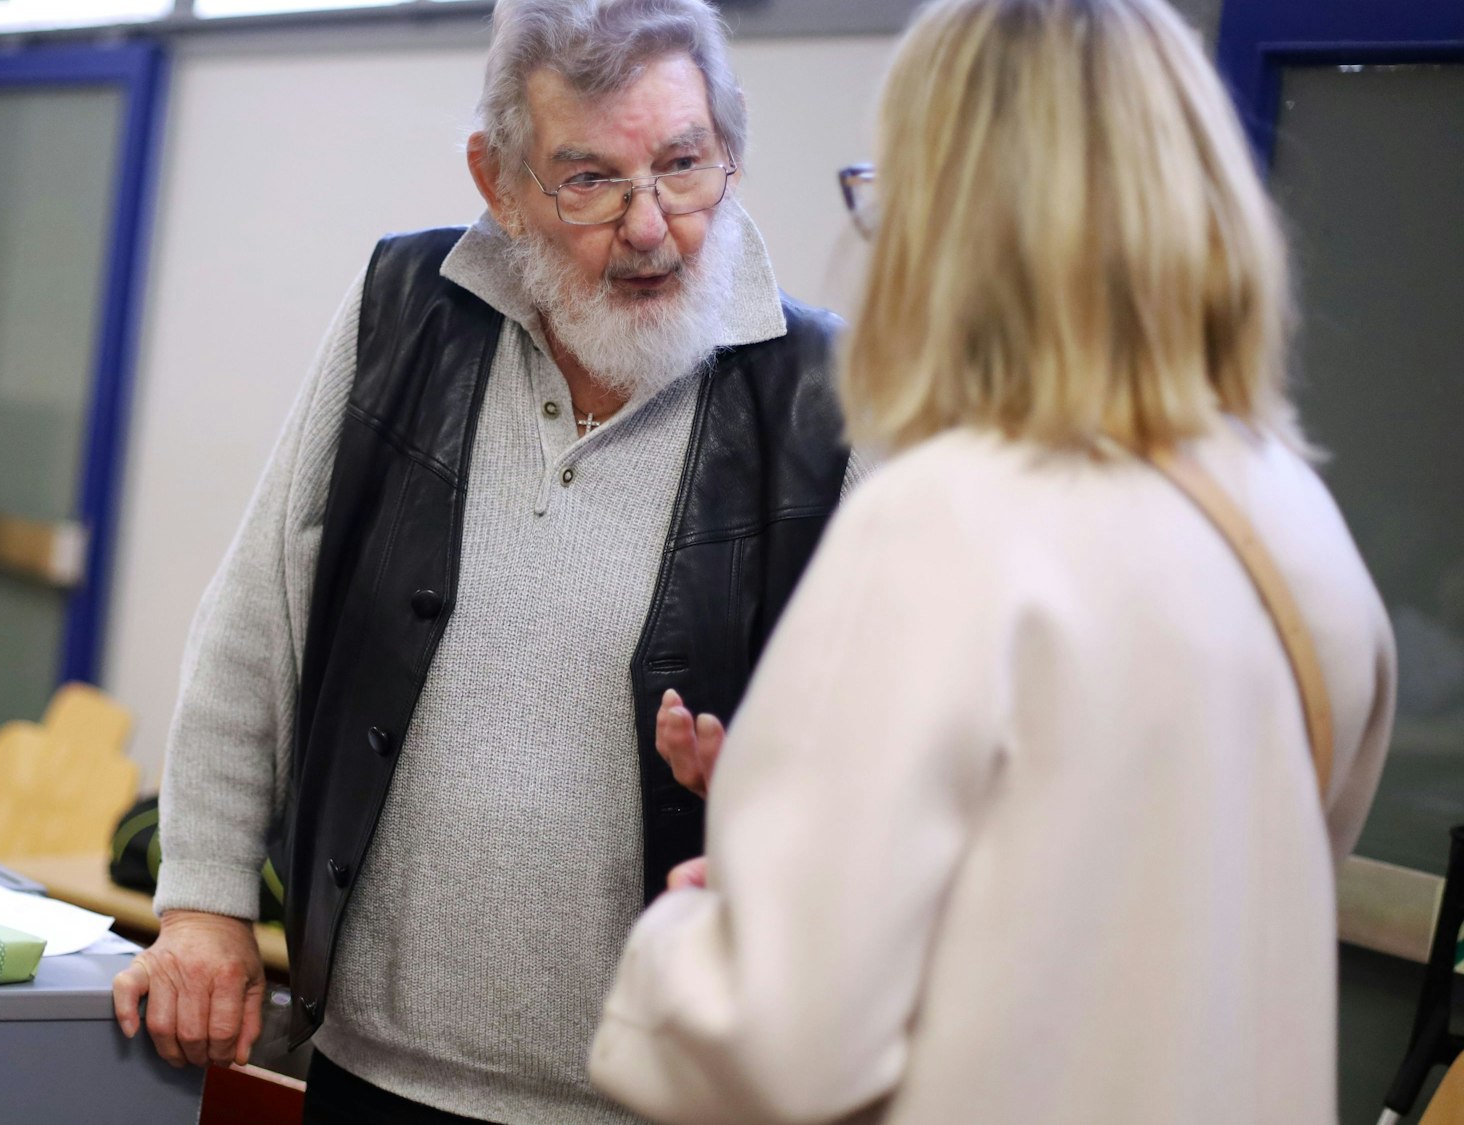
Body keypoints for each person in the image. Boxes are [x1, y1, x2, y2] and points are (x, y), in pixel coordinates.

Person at [588, 0, 1398, 1122]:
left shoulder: (946, 522)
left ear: (949, 225)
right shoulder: (1293, 523)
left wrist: (704, 925)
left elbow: (769, 1045)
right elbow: (1175, 891)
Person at [110, 0, 855, 1119]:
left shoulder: (821, 399)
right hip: (370, 1073)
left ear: (730, 155)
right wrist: (205, 900)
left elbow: (899, 755)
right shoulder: (403, 315)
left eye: (682, 166)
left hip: (657, 1097)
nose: (650, 226)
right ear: (498, 182)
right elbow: (254, 618)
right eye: (590, 180)